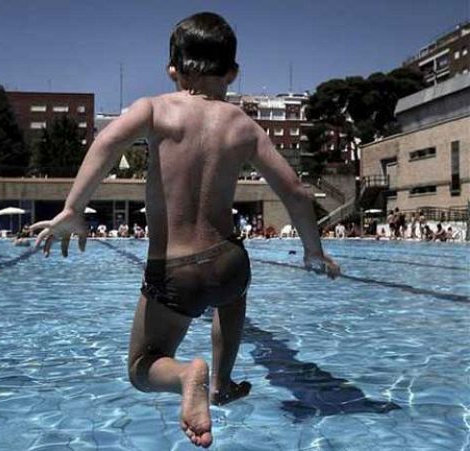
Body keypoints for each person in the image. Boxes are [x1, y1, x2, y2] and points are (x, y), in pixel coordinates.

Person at [29, 12, 340, 449]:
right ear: (232, 72)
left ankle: (189, 377)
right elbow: (295, 191)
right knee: (230, 296)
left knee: (142, 366)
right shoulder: (244, 127)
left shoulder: (154, 109)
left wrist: (73, 208)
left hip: (175, 268)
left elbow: (106, 143)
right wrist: (313, 251)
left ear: (172, 69)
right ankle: (223, 382)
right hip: (230, 259)